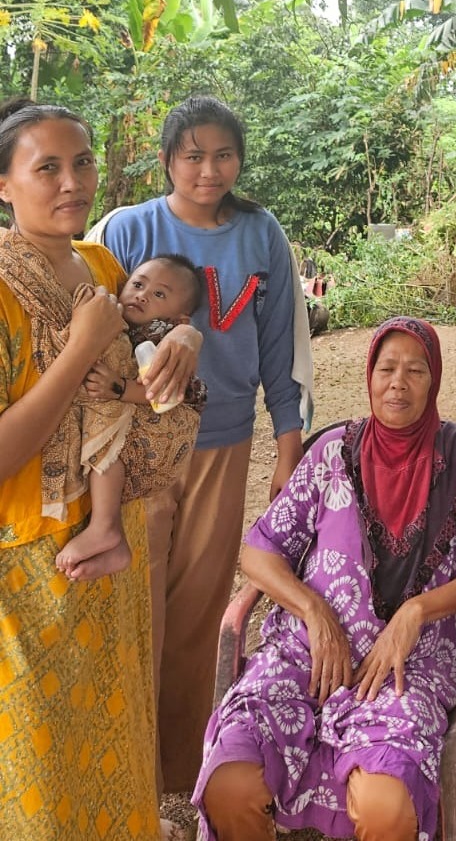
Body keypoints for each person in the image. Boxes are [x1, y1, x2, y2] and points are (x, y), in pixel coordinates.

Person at [86, 96, 314, 792]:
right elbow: (90, 323)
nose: (208, 170)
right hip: (136, 449)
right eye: (193, 155)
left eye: (223, 155)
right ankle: (120, 771)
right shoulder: (125, 229)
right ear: (166, 160)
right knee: (132, 607)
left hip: (223, 445)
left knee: (195, 616)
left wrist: (288, 448)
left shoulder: (261, 233)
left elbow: (281, 346)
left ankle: (180, 771)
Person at [191, 316, 456, 841]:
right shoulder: (332, 453)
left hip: (404, 670)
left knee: (386, 806)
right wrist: (314, 612)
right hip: (304, 657)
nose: (399, 383)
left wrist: (416, 611)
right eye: (387, 368)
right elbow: (259, 550)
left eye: (416, 371)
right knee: (230, 782)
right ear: (369, 375)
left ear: (434, 380)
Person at [0, 101, 199, 838]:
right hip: (28, 569)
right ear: (3, 185)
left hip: (111, 548)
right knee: (41, 784)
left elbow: (147, 341)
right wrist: (83, 345)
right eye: (46, 167)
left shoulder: (102, 265)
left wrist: (186, 338)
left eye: (82, 162)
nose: (72, 182)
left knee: (114, 765)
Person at [55, 253, 208, 582]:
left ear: (180, 318)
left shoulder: (160, 336)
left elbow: (169, 394)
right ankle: (115, 539)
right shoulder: (124, 322)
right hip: (136, 418)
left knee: (107, 442)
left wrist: (120, 388)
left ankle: (105, 527)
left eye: (159, 294)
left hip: (160, 420)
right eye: (138, 284)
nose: (142, 295)